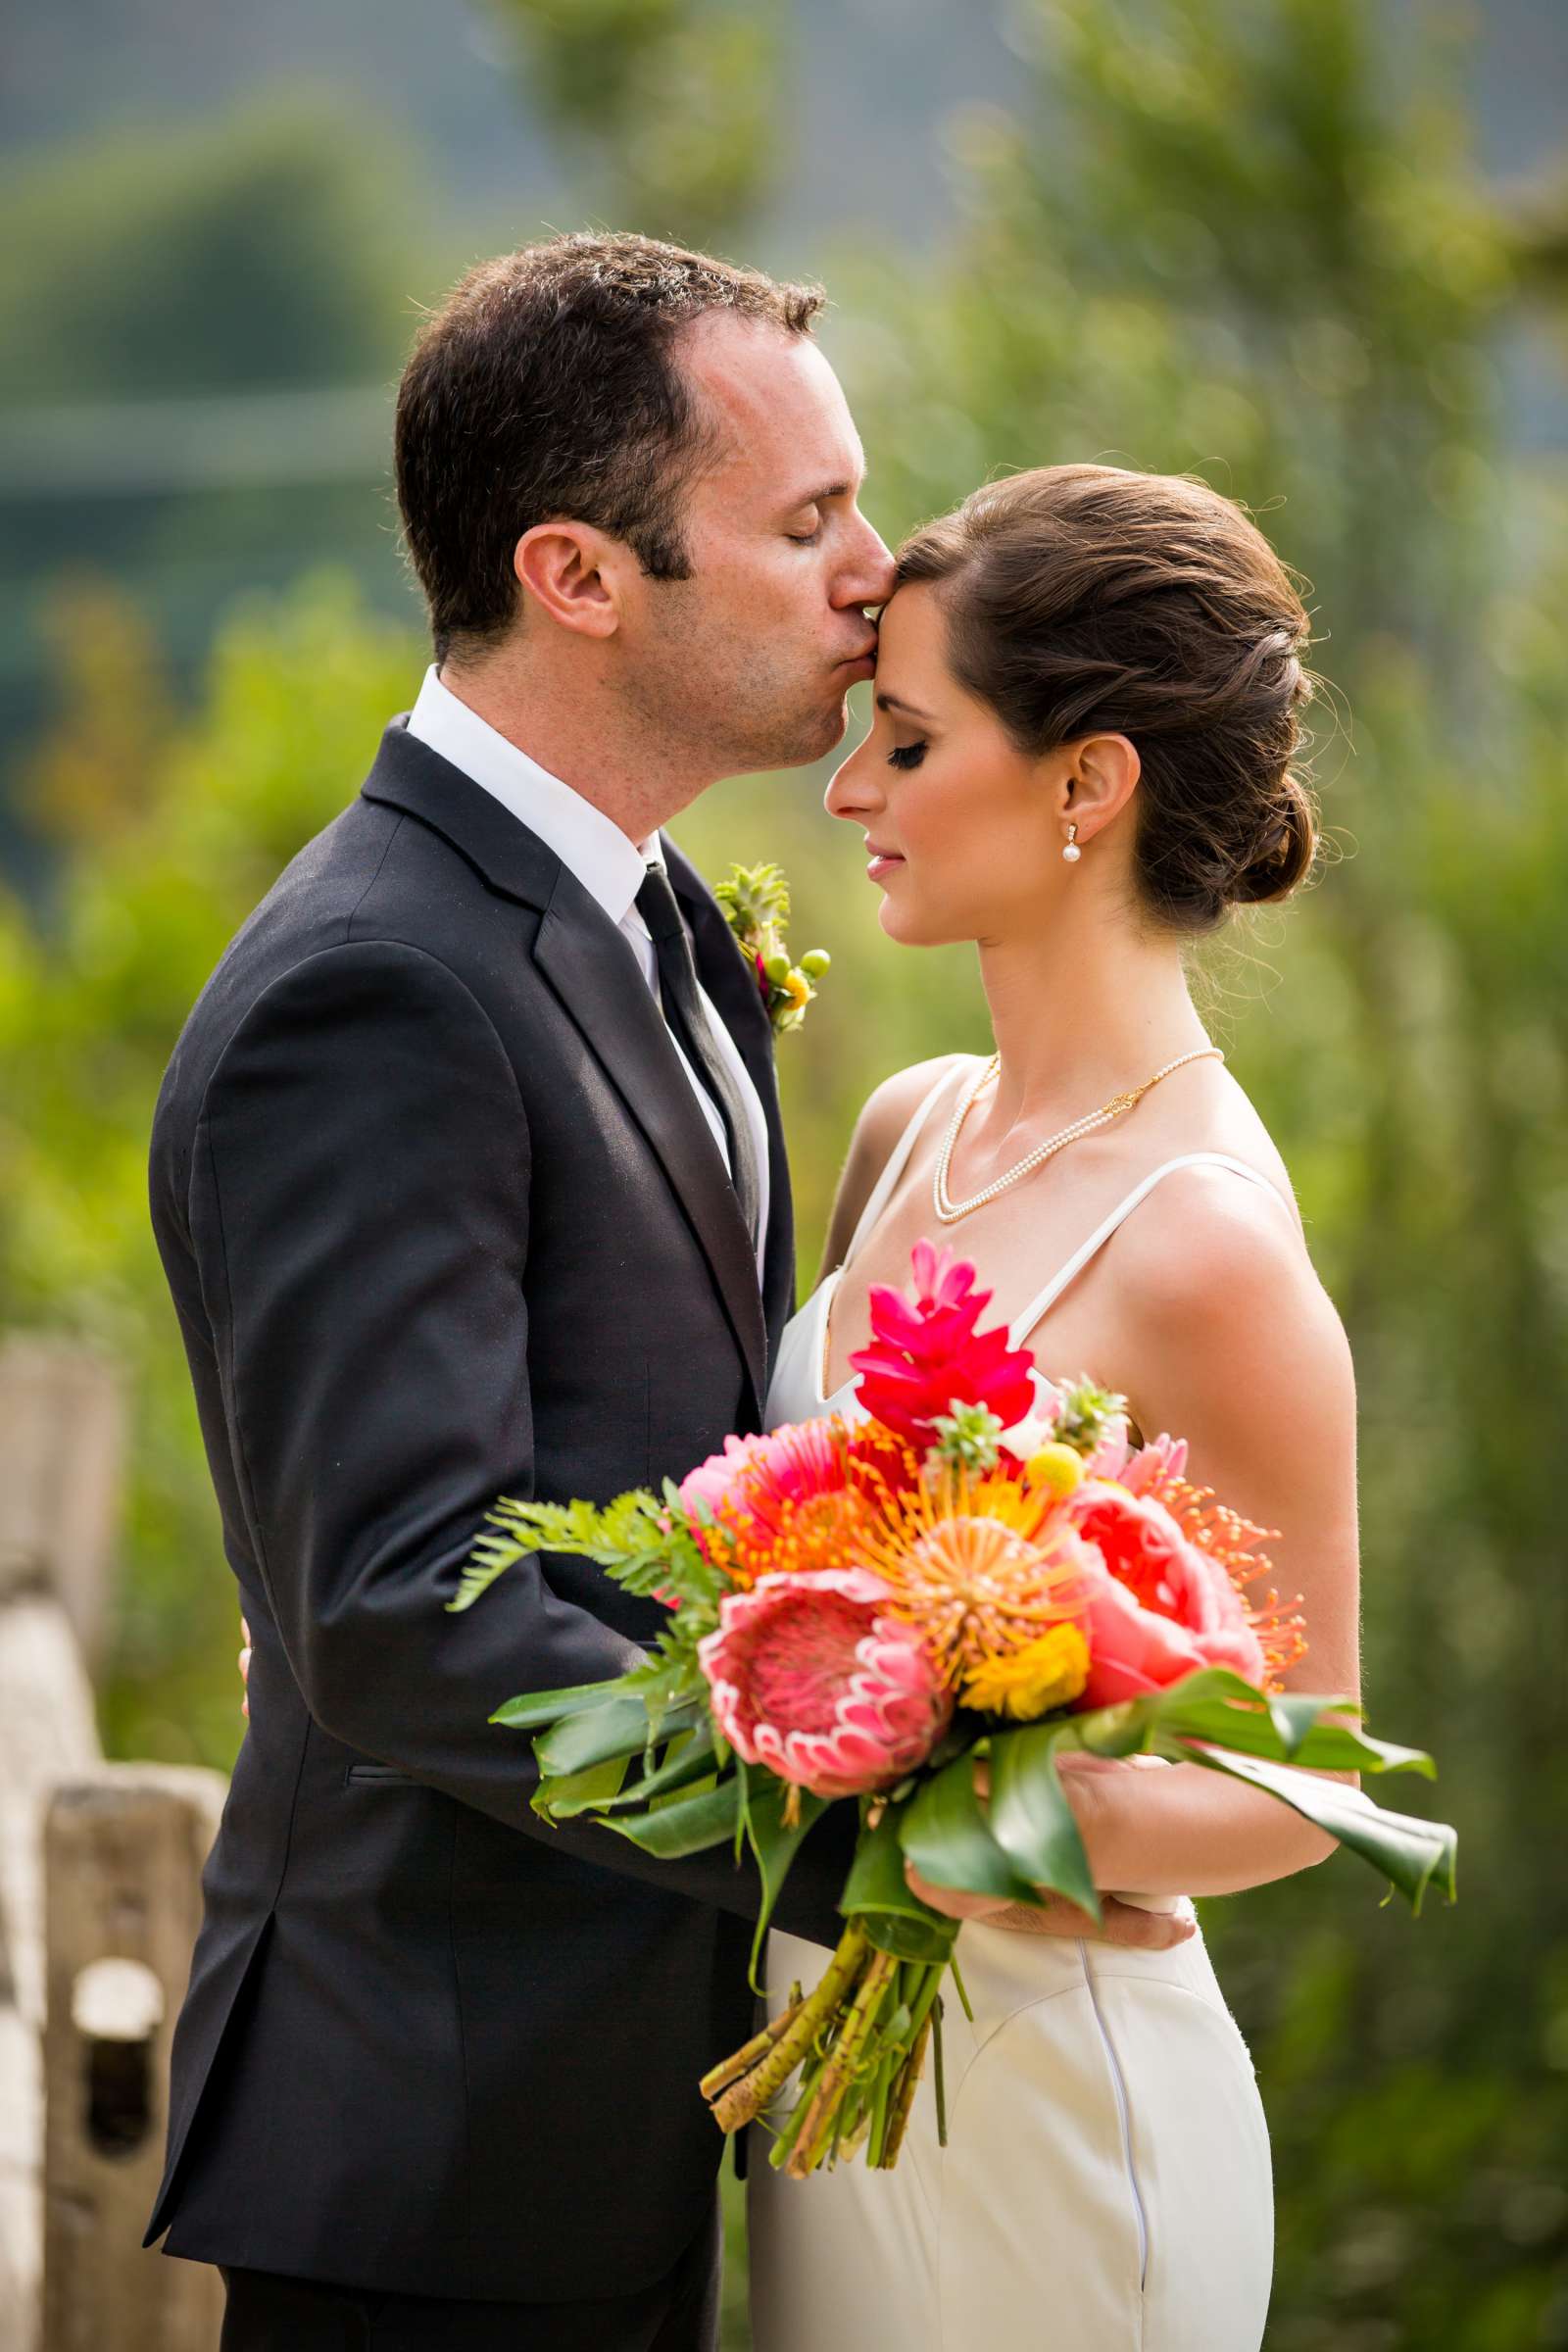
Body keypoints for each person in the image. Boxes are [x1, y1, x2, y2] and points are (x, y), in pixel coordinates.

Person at [148, 238, 1192, 2352]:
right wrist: (869, 1843)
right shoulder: (376, 989)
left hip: (621, 2115)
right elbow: (402, 1601)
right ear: (578, 574)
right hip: (436, 2159)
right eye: (803, 523)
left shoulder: (649, 919)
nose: (874, 571)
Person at [750, 464, 1361, 2351]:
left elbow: (1304, 1779)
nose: (851, 793)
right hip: (821, 2093)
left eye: (911, 743)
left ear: (1087, 785)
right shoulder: (903, 1126)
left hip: (1055, 2124)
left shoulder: (1204, 1251)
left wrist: (984, 1816)